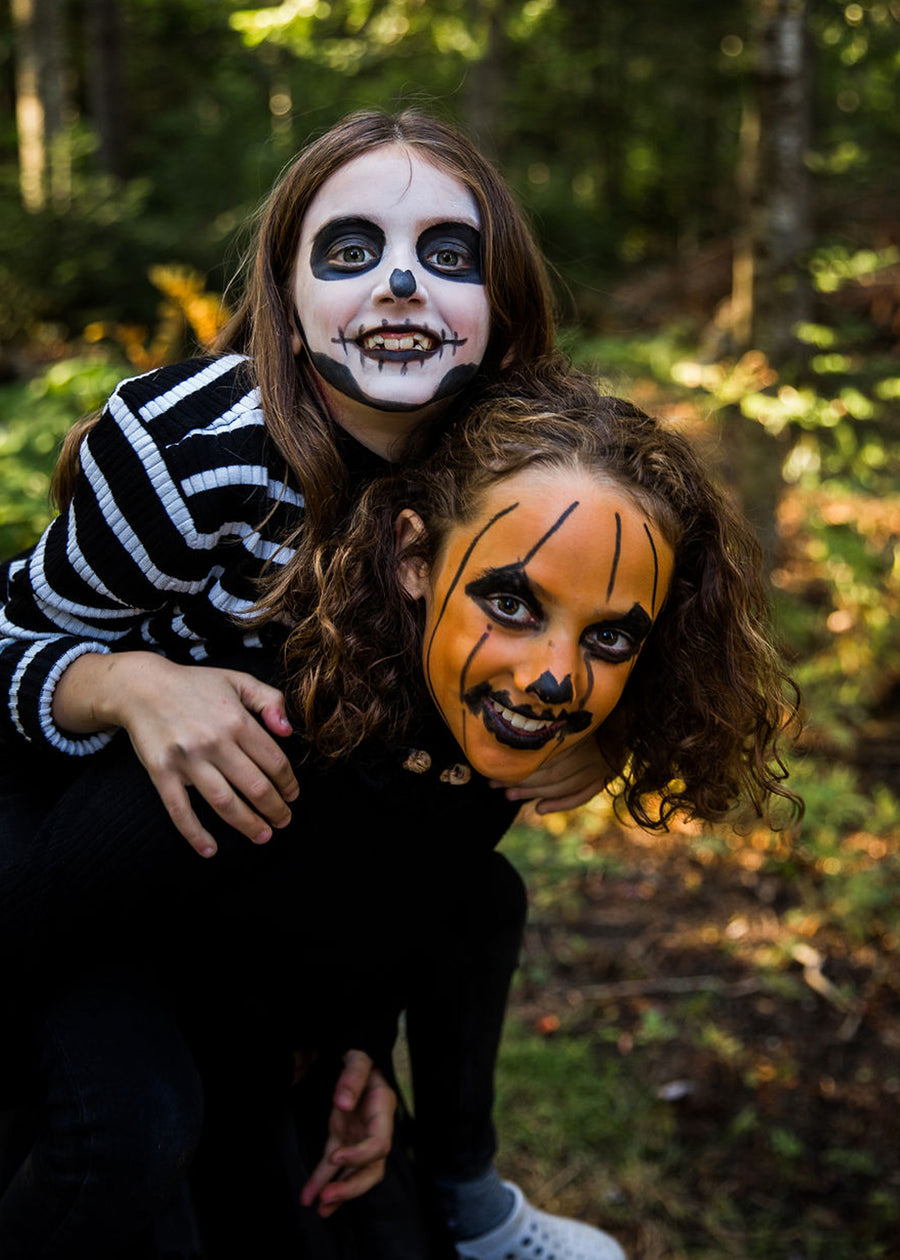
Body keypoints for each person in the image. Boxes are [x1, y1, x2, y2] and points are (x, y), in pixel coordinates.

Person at [2, 363, 801, 1257]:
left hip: (260, 1008)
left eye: (608, 636)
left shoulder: (489, 742)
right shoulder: (254, 733)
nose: (554, 677)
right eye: (511, 601)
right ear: (414, 560)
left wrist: (357, 1052)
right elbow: (35, 936)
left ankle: (468, 1201)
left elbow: (381, 896)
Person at [0, 108, 617, 1259]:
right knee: (133, 1131)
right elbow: (10, 646)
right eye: (349, 252)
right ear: (286, 296)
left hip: (250, 877)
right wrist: (131, 685)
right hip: (68, 832)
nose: (397, 283)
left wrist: (354, 1047)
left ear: (506, 304)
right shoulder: (191, 451)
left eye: (449, 255)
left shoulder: (512, 481)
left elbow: (399, 818)